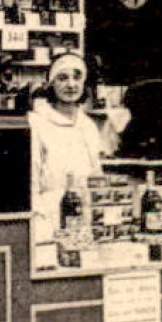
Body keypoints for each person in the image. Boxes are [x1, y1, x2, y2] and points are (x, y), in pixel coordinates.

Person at [28, 52, 106, 239]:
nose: (71, 85)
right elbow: (32, 184)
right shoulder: (36, 123)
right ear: (50, 83)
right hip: (48, 221)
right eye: (62, 78)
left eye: (77, 77)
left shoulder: (88, 126)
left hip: (85, 223)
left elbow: (96, 178)